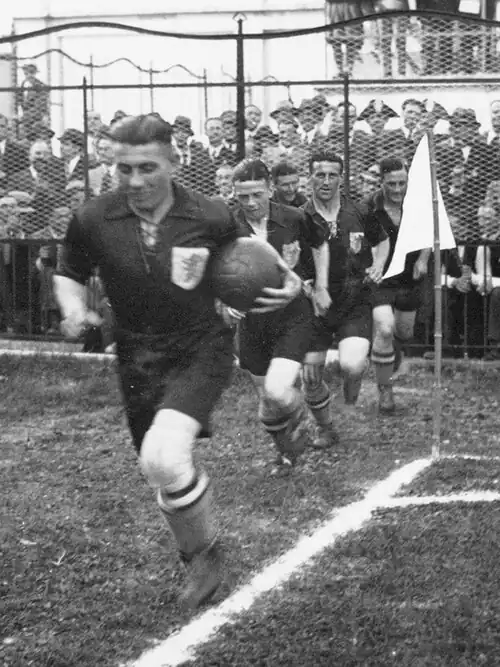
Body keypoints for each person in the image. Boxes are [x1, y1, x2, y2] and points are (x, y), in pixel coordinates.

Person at [53, 114, 301, 609]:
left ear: (174, 162)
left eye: (148, 167)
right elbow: (69, 271)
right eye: (124, 169)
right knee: (160, 467)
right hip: (136, 355)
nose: (135, 180)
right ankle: (200, 548)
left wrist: (286, 278)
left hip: (199, 347)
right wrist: (74, 309)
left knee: (164, 456)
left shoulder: (209, 214)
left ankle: (203, 559)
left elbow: (249, 254)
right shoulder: (93, 217)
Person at [226, 159, 329, 471]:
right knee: (268, 402)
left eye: (257, 194)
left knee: (277, 390)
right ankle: (287, 453)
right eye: (243, 196)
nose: (250, 203)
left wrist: (321, 286)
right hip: (252, 321)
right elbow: (213, 266)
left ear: (270, 189)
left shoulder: (294, 217)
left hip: (292, 314)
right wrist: (226, 300)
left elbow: (320, 244)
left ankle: (310, 420)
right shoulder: (227, 226)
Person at [301, 151, 389, 447]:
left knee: (352, 366)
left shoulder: (359, 211)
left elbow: (383, 240)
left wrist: (378, 264)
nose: (326, 181)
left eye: (332, 175)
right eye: (320, 175)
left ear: (341, 178)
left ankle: (349, 396)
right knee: (310, 376)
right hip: (315, 305)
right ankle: (325, 428)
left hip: (354, 299)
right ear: (310, 178)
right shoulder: (300, 217)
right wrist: (306, 285)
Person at [362, 157, 430, 413]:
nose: (398, 189)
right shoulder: (368, 207)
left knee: (404, 332)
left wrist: (423, 259)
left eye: (402, 183)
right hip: (382, 278)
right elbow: (360, 241)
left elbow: (427, 233)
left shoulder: (417, 203)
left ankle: (390, 353)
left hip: (410, 277)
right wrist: (370, 266)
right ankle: (385, 391)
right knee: (384, 328)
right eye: (391, 184)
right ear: (381, 182)